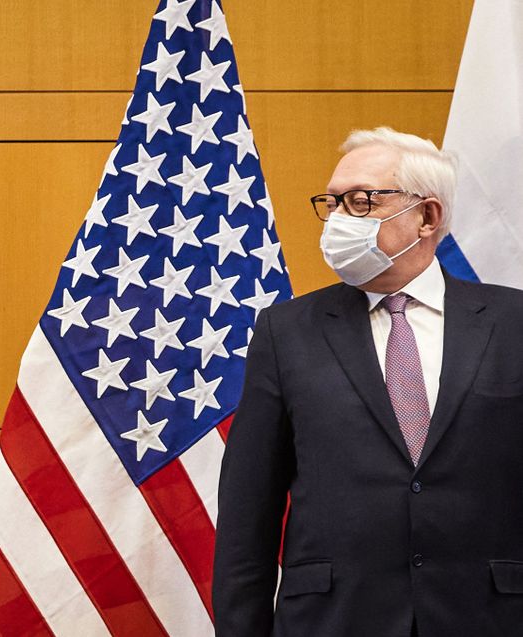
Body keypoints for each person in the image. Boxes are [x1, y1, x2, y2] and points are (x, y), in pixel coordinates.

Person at [212, 127, 523, 636]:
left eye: (360, 202)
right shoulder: (286, 332)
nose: (338, 220)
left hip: (489, 617)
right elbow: (249, 512)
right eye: (331, 203)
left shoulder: (513, 323)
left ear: (427, 216)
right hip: (334, 620)